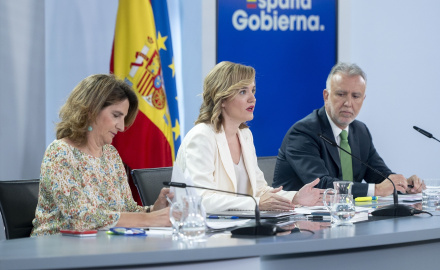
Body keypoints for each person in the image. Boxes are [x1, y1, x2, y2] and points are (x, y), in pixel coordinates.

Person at [31, 74, 171, 237]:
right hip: (55, 250)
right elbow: (80, 218)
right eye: (116, 115)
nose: (121, 127)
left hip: (102, 246)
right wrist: (150, 220)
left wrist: (154, 210)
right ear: (91, 110)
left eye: (124, 118)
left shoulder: (111, 155)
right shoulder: (60, 152)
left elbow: (126, 211)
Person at [175, 61, 323, 213]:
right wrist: (256, 204)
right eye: (243, 92)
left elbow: (260, 191)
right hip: (204, 231)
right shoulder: (201, 136)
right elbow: (200, 199)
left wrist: (295, 197)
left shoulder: (245, 135)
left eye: (253, 90)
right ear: (222, 98)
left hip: (239, 227)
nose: (253, 98)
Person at [273, 62, 424, 198]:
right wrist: (377, 190)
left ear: (363, 99)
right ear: (326, 96)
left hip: (345, 217)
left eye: (356, 96)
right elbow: (321, 185)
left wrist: (403, 185)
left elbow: (380, 175)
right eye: (341, 94)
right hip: (299, 222)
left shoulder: (360, 131)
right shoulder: (302, 133)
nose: (348, 103)